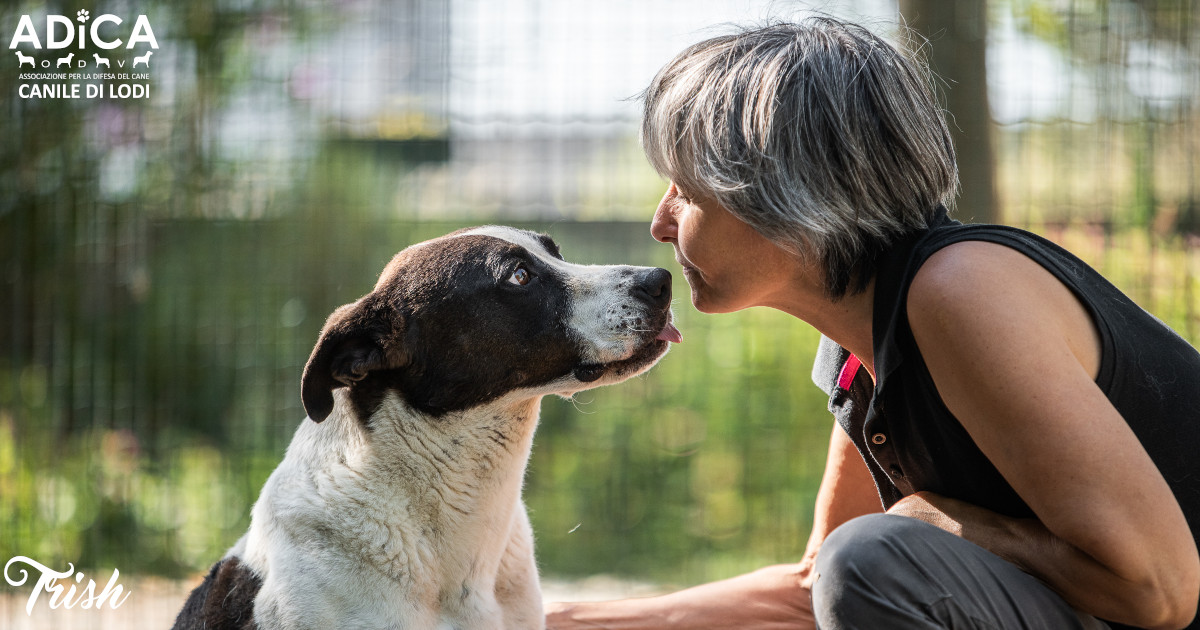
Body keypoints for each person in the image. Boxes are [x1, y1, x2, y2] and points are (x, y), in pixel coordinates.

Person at [545, 16, 1200, 630]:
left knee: (871, 556)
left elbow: (1158, 590)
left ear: (787, 195)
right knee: (864, 558)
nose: (660, 224)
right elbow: (813, 587)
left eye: (686, 193)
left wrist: (941, 521)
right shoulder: (861, 344)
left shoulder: (960, 291)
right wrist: (544, 619)